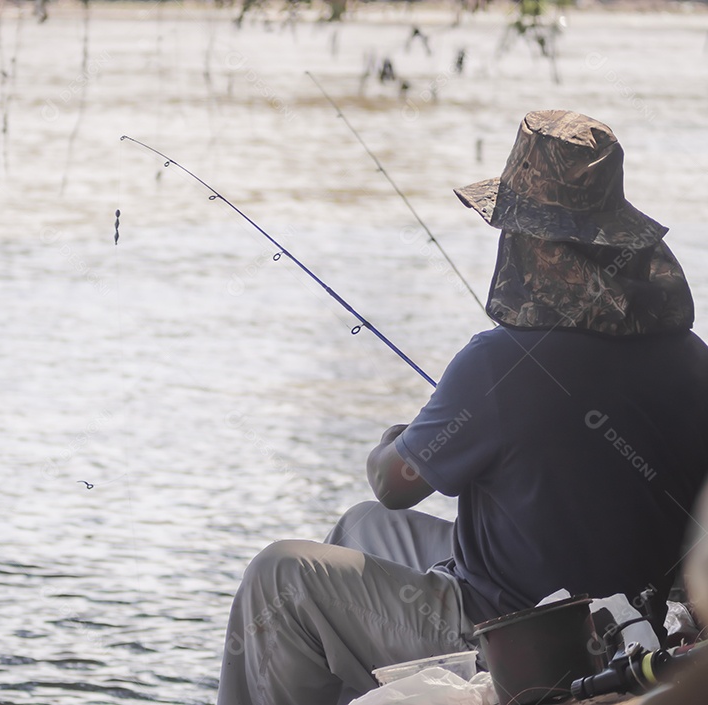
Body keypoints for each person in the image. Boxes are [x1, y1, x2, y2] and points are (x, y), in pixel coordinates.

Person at [216, 110, 708, 705]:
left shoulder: (500, 361)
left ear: (532, 243)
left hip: (517, 633)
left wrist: (396, 438)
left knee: (280, 576)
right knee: (357, 528)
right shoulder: (691, 358)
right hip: (635, 624)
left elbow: (393, 483)